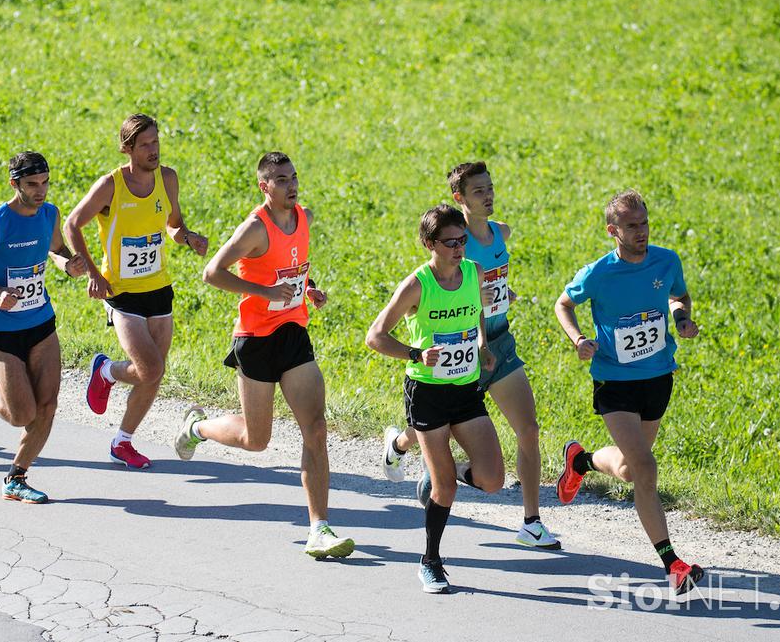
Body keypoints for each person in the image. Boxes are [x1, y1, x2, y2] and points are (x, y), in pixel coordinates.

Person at [173, 151, 355, 560]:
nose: (291, 185)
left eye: (293, 177)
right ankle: (197, 427)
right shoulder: (255, 228)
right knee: (257, 440)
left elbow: (293, 265)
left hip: (293, 334)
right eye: (281, 180)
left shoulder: (302, 217)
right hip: (255, 338)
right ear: (264, 186)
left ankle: (319, 529)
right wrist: (264, 293)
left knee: (317, 429)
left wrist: (309, 289)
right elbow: (213, 272)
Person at [381, 162, 560, 550]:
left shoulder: (501, 234)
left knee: (528, 430)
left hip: (496, 343)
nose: (489, 195)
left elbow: (489, 287)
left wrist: (503, 294)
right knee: (439, 423)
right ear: (458, 199)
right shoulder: (453, 243)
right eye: (479, 191)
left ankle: (531, 521)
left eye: (491, 188)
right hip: (452, 353)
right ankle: (400, 446)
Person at [553, 189, 704, 596]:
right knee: (647, 468)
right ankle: (673, 563)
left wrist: (682, 317)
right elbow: (563, 304)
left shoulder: (666, 260)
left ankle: (580, 460)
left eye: (645, 223)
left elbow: (678, 294)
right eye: (632, 226)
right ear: (612, 231)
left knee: (629, 470)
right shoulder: (599, 273)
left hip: (657, 377)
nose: (642, 232)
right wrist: (578, 338)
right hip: (614, 381)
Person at [366, 204, 504, 593]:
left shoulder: (474, 273)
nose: (460, 248)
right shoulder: (417, 285)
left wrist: (480, 342)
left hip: (465, 388)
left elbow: (476, 311)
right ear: (430, 244)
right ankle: (431, 561)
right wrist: (414, 353)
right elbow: (375, 336)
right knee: (445, 489)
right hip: (427, 391)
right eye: (450, 242)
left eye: (462, 240)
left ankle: (427, 459)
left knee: (493, 480)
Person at [64, 114, 207, 469]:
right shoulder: (111, 185)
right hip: (121, 291)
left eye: (157, 142)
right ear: (127, 148)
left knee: (154, 373)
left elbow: (173, 225)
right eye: (145, 144)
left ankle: (122, 441)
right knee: (151, 368)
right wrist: (93, 273)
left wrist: (188, 237)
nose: (154, 150)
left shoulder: (167, 178)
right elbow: (72, 225)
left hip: (159, 287)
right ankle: (107, 372)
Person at [0, 152, 86, 503]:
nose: (40, 191)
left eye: (45, 183)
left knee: (48, 406)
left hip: (41, 321)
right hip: (6, 332)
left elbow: (55, 249)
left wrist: (67, 264)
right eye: (31, 185)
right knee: (20, 415)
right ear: (15, 184)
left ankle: (16, 476)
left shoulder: (50, 214)